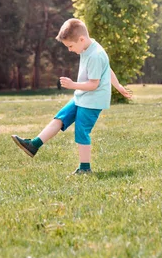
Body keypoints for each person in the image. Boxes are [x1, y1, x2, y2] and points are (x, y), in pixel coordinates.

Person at [11, 18, 132, 175]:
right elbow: (107, 69)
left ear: (81, 39)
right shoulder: (87, 47)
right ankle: (33, 145)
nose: (69, 50)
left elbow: (94, 84)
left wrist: (73, 84)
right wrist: (119, 87)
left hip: (93, 100)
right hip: (82, 96)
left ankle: (85, 168)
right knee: (60, 118)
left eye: (70, 46)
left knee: (81, 131)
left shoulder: (95, 55)